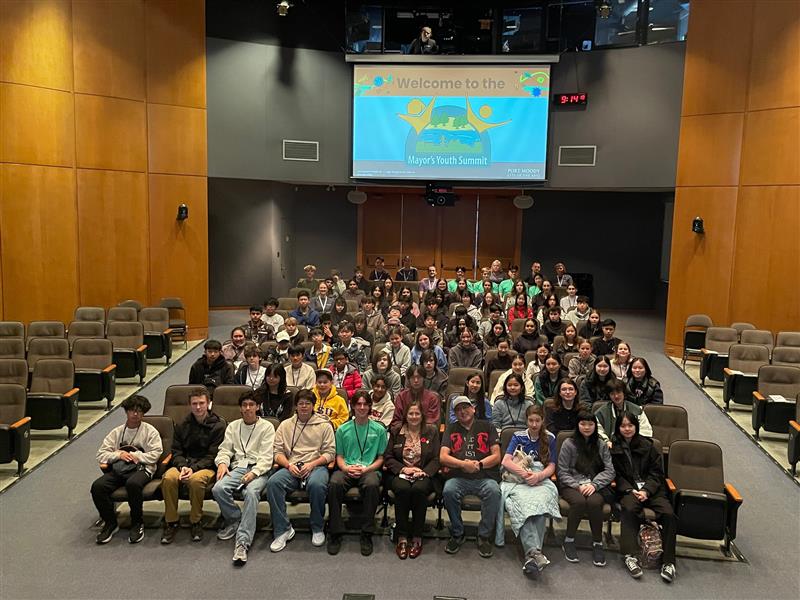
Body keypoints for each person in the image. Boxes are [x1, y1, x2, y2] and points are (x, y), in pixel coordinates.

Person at [610, 412, 678, 583]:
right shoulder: (614, 448)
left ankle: (669, 561)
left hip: (651, 490)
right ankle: (630, 555)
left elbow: (657, 474)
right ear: (618, 428)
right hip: (629, 490)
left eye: (630, 425)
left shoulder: (649, 446)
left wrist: (646, 490)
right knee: (629, 509)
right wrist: (629, 490)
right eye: (623, 426)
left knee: (669, 514)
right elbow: (615, 475)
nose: (627, 429)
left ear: (636, 427)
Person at [266, 389, 336, 552]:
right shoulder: (285, 425)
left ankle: (317, 527)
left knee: (317, 485)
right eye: (300, 403)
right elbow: (277, 452)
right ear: (295, 406)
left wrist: (311, 465)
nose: (304, 406)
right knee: (273, 483)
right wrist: (289, 465)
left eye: (308, 403)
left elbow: (330, 453)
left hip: (316, 466)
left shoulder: (324, 425)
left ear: (313, 406)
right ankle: (283, 529)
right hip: (292, 466)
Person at [497, 404, 561, 579]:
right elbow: (506, 461)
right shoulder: (518, 436)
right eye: (531, 420)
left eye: (537, 421)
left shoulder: (550, 438)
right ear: (526, 420)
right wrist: (525, 475)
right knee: (522, 505)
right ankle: (534, 553)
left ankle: (531, 557)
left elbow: (552, 466)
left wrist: (538, 476)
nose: (534, 424)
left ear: (543, 421)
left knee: (539, 506)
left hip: (540, 478)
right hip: (519, 478)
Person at [212, 390, 275, 565]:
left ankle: (242, 543)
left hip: (259, 469)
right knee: (218, 488)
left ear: (258, 407)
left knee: (252, 492)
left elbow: (267, 457)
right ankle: (234, 519)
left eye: (251, 405)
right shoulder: (233, 426)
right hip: (238, 467)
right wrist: (223, 463)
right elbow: (225, 449)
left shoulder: (267, 427)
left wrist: (254, 473)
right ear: (240, 408)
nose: (248, 409)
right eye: (244, 405)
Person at [92, 394, 162, 544]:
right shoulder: (117, 432)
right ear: (126, 412)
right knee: (97, 487)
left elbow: (155, 455)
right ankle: (110, 522)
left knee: (133, 484)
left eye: (139, 411)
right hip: (121, 469)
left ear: (143, 413)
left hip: (144, 469)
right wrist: (119, 454)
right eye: (132, 410)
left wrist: (136, 456)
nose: (135, 414)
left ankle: (137, 522)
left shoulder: (150, 431)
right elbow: (101, 454)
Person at [160, 387, 225, 544]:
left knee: (195, 481)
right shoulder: (183, 424)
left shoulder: (219, 425)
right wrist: (182, 466)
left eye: (201, 403)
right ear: (190, 405)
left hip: (207, 466)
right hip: (185, 464)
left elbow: (213, 455)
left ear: (208, 404)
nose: (198, 407)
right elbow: (176, 451)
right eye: (194, 403)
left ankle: (196, 521)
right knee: (168, 478)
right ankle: (171, 521)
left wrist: (193, 468)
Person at [327, 391, 388, 556]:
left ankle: (367, 533)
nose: (362, 407)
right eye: (358, 404)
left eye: (365, 404)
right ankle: (335, 532)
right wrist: (346, 468)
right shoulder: (342, 429)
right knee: (334, 484)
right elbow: (339, 456)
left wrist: (367, 469)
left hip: (369, 469)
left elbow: (381, 457)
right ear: (352, 406)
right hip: (347, 468)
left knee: (372, 485)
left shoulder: (379, 429)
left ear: (370, 407)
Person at [440, 396, 502, 558]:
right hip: (459, 477)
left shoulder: (487, 426)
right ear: (454, 413)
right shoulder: (451, 428)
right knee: (448, 491)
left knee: (494, 491)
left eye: (465, 407)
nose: (463, 411)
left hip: (484, 476)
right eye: (458, 409)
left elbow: (496, 456)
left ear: (473, 408)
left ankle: (483, 536)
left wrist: (478, 465)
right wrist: (462, 464)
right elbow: (443, 457)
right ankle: (457, 533)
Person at [557, 410, 615, 567]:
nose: (587, 427)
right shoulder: (569, 444)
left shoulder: (601, 444)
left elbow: (610, 470)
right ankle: (569, 540)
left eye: (590, 424)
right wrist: (578, 485)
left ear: (595, 426)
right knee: (579, 502)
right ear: (577, 425)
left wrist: (594, 485)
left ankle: (597, 542)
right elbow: (562, 471)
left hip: (595, 485)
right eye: (583, 424)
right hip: (572, 484)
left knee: (595, 503)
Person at [385, 399, 440, 559]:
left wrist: (423, 472)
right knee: (402, 489)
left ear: (422, 415)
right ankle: (402, 537)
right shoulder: (396, 430)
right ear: (405, 415)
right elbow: (388, 457)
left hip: (423, 474)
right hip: (400, 473)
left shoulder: (431, 431)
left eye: (417, 413)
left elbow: (436, 458)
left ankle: (417, 537)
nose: (414, 416)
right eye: (411, 413)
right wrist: (404, 469)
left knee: (418, 490)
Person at [594, 380, 653, 444]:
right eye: (612, 394)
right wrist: (607, 441)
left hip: (634, 446)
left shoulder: (637, 410)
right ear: (609, 395)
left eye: (618, 392)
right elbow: (598, 431)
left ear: (624, 393)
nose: (616, 396)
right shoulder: (600, 413)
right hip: (611, 448)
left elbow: (646, 430)